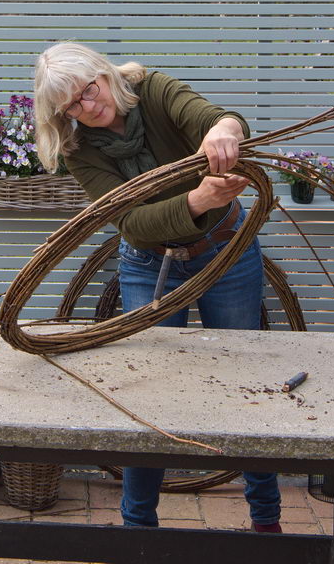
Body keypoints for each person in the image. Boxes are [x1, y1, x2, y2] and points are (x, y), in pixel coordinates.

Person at [33, 42, 282, 533]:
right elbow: (132, 224)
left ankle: (266, 519)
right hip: (149, 264)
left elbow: (214, 118)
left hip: (226, 252)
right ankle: (138, 528)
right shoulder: (81, 152)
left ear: (104, 73)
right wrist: (197, 199)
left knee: (245, 380)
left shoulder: (153, 89)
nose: (88, 105)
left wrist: (224, 131)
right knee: (146, 392)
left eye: (89, 89)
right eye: (72, 105)